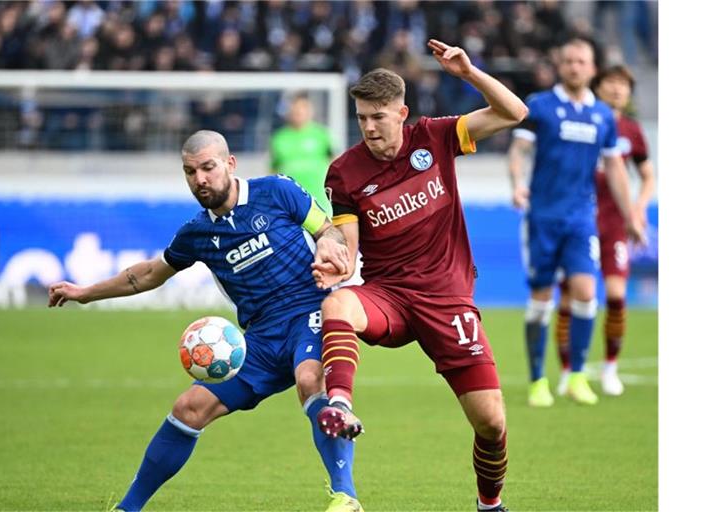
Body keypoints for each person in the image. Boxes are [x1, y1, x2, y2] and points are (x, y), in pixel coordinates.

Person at [47, 130, 363, 512]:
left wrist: (329, 241)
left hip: (309, 315)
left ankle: (346, 497)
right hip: (259, 341)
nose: (200, 179)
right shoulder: (197, 233)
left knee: (310, 378)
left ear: (230, 164)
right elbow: (148, 274)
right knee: (188, 408)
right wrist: (85, 293)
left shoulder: (277, 191)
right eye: (190, 172)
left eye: (208, 168)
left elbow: (327, 228)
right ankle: (127, 508)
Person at [310, 39, 529, 512]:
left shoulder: (437, 137)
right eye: (362, 117)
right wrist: (336, 261)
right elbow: (349, 247)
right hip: (388, 296)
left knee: (491, 423)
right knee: (337, 304)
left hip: (448, 299)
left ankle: (489, 504)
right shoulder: (344, 173)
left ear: (402, 113)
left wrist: (469, 73)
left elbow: (514, 113)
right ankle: (341, 404)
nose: (369, 127)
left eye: (378, 116)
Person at [506, 38, 645, 408]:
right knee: (541, 298)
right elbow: (518, 151)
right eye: (568, 60)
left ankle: (577, 375)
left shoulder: (602, 115)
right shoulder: (539, 106)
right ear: (559, 65)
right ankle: (538, 379)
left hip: (582, 219)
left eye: (581, 61)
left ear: (592, 68)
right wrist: (518, 184)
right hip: (542, 218)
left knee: (585, 292)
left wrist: (630, 214)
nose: (574, 66)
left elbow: (616, 167)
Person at [554, 64, 655, 397]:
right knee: (570, 299)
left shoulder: (632, 130)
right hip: (576, 223)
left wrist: (637, 210)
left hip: (613, 226)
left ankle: (610, 368)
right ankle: (568, 373)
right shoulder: (582, 122)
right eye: (611, 83)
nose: (616, 89)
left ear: (629, 92)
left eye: (623, 85)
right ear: (598, 87)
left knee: (615, 297)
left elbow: (647, 175)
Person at [270, 92, 334, 215]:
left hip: (319, 201)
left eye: (302, 109)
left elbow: (334, 161)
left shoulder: (322, 134)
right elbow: (273, 169)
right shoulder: (279, 138)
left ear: (310, 111)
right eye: (295, 109)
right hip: (289, 203)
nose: (298, 112)